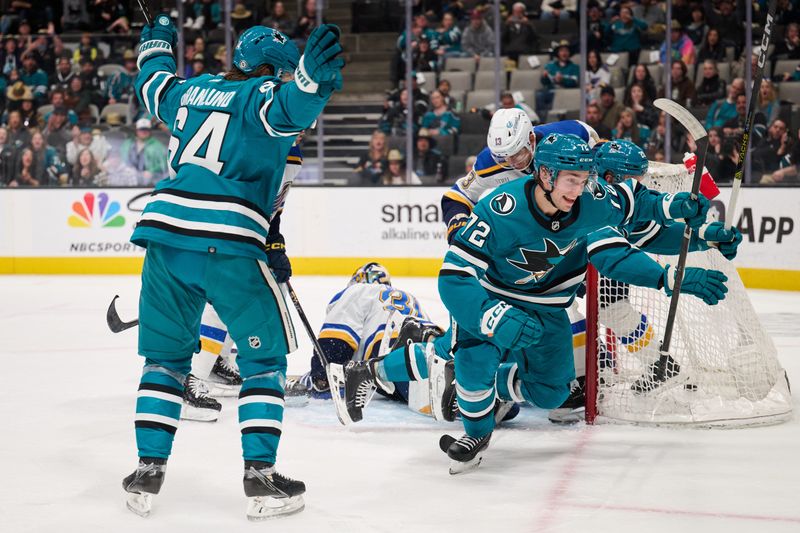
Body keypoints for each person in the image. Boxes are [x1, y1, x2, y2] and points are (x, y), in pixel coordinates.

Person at [121, 17, 343, 521]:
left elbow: (152, 81)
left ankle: (147, 471)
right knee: (262, 365)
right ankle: (260, 478)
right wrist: (308, 82)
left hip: (164, 236)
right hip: (229, 241)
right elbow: (292, 105)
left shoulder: (192, 90)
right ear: (276, 71)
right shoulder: (263, 98)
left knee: (163, 361)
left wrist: (156, 42)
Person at [436, 133, 728, 473]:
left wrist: (696, 227)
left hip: (548, 304)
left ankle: (491, 385)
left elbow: (641, 217)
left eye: (583, 180)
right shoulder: (507, 205)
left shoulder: (594, 196)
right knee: (472, 356)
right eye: (571, 180)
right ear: (546, 175)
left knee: (553, 394)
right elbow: (614, 255)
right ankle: (472, 416)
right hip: (501, 296)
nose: (578, 190)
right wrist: (490, 316)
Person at [441, 110, 599, 244]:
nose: (511, 162)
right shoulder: (488, 163)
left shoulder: (564, 136)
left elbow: (595, 142)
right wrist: (457, 228)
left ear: (531, 140)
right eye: (502, 158)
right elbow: (457, 196)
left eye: (516, 154)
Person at [120, 118, 169, 186]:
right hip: (130, 176)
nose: (144, 132)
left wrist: (151, 171)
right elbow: (122, 159)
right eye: (141, 129)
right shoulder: (128, 143)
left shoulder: (157, 146)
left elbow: (163, 164)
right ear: (136, 131)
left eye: (146, 129)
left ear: (150, 131)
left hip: (151, 180)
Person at [538, 41, 579, 113]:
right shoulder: (550, 66)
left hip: (567, 94)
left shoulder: (575, 67)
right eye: (562, 51)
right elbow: (544, 82)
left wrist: (562, 80)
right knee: (540, 94)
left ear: (569, 53)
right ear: (558, 53)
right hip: (551, 93)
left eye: (566, 51)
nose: (564, 53)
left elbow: (575, 82)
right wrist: (544, 77)